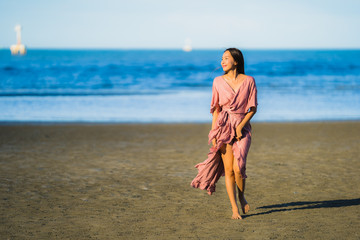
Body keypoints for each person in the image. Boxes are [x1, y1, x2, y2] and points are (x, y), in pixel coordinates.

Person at [191, 48, 258, 219]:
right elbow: (216, 110)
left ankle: (242, 195)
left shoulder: (249, 81)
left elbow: (252, 108)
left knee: (239, 167)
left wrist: (240, 126)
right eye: (222, 58)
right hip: (223, 127)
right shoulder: (217, 82)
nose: (222, 61)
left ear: (236, 61)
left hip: (242, 128)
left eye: (226, 58)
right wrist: (213, 133)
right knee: (228, 170)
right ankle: (234, 209)